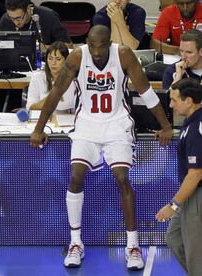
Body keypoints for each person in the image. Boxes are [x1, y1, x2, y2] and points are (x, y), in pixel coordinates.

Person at [30, 25, 173, 270]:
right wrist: (38, 128)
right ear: (86, 42)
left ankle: (132, 245)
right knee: (75, 176)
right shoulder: (77, 56)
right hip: (87, 124)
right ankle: (76, 243)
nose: (97, 52)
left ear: (109, 43)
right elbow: (56, 92)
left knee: (122, 178)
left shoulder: (124, 54)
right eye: (93, 46)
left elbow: (147, 93)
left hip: (117, 124)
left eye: (102, 46)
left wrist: (166, 126)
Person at [156, 78, 202, 276]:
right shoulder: (189, 123)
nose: (171, 105)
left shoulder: (197, 128)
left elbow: (196, 173)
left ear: (189, 101)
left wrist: (173, 205)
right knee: (174, 239)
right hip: (189, 195)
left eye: (175, 100)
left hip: (197, 196)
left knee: (196, 253)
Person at [0, 0, 72, 50]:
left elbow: (69, 47)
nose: (16, 23)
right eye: (12, 18)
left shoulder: (49, 17)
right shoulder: (5, 19)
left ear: (29, 9)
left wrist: (46, 48)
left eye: (19, 18)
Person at [26, 41, 75, 112]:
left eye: (58, 59)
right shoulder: (38, 77)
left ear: (66, 60)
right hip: (44, 118)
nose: (53, 63)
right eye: (50, 58)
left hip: (68, 118)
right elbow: (30, 107)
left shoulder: (74, 79)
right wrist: (49, 100)